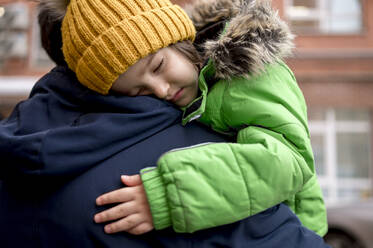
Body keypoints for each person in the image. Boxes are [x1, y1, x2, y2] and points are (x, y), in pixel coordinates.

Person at [0, 0, 330, 247]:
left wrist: (168, 195)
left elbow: (287, 162)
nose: (161, 90)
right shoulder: (187, 89)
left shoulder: (251, 75)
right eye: (139, 91)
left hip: (297, 221)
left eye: (158, 65)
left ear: (179, 39)